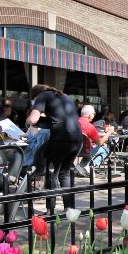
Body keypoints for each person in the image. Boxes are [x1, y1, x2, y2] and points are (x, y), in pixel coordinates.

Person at [26, 84, 83, 212]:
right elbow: (56, 121)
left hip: (61, 139)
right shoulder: (64, 96)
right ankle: (69, 209)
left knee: (51, 173)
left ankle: (50, 209)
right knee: (65, 172)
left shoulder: (42, 96)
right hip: (77, 138)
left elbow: (33, 120)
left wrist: (28, 120)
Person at [77, 105, 115, 176]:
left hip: (74, 150)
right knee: (105, 150)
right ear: (90, 115)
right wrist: (109, 131)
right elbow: (100, 142)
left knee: (91, 150)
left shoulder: (74, 122)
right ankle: (90, 166)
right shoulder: (89, 126)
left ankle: (81, 166)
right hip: (86, 150)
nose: (94, 116)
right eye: (94, 114)